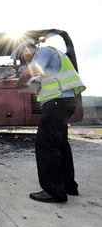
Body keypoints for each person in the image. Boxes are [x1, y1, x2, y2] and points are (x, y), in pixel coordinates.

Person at [12, 39, 86, 203]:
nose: (25, 60)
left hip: (57, 103)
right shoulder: (53, 56)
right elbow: (45, 80)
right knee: (61, 144)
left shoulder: (43, 51)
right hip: (64, 102)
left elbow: (31, 71)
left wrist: (19, 83)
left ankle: (54, 191)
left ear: (27, 49)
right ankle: (68, 186)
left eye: (23, 56)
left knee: (45, 145)